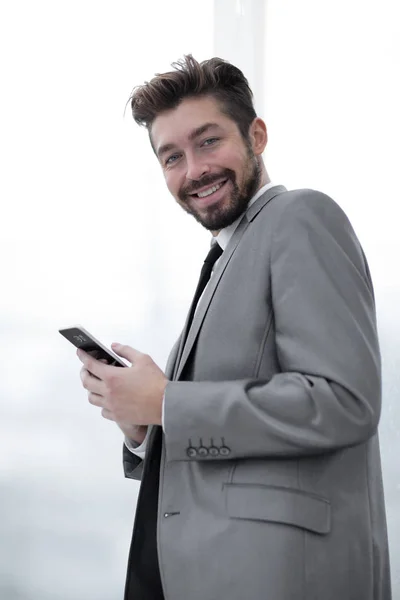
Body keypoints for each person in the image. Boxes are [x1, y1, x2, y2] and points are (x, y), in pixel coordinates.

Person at [77, 55, 391, 600]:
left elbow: (344, 401)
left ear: (257, 136)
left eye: (208, 141)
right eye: (171, 156)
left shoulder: (301, 218)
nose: (193, 170)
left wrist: (167, 404)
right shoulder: (229, 256)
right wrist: (145, 426)